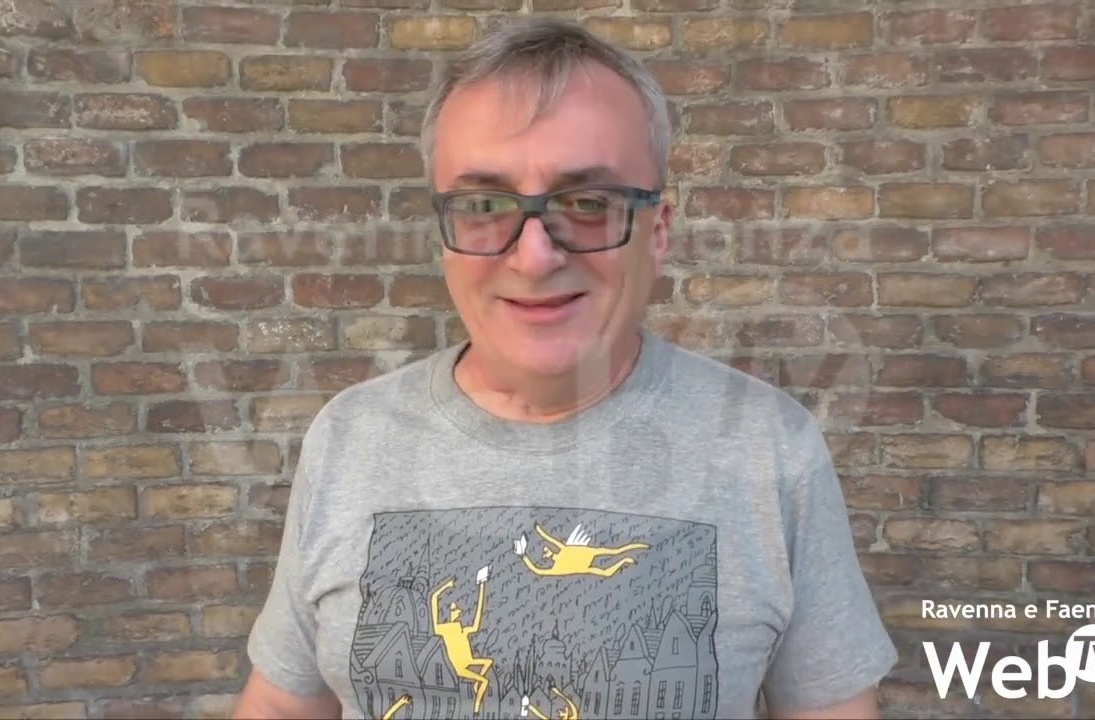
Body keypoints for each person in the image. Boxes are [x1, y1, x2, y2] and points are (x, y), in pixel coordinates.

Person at [233, 16, 897, 720]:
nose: (534, 256)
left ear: (658, 231)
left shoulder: (769, 448)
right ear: (444, 237)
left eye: (586, 204)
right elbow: (281, 705)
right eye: (484, 205)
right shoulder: (350, 436)